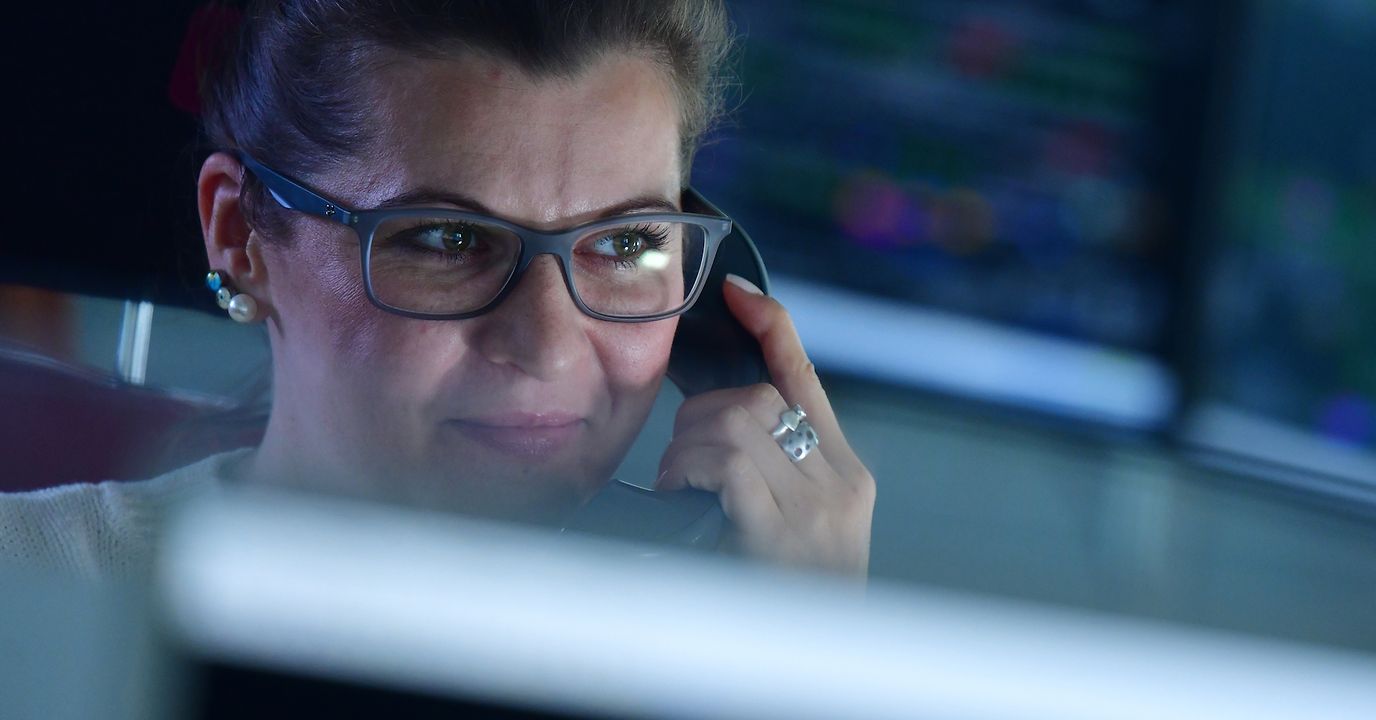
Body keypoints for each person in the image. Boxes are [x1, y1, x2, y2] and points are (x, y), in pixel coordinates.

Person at [0, 0, 874, 578]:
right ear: (239, 234)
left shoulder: (722, 646)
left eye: (631, 242)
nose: (549, 346)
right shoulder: (31, 589)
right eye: (448, 240)